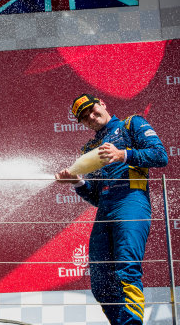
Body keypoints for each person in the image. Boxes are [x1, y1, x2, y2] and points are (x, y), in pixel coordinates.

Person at [56, 94, 168, 325]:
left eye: (93, 110)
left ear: (102, 104)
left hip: (131, 201)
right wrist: (76, 182)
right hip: (105, 211)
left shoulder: (131, 124)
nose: (91, 117)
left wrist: (122, 155)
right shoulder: (89, 148)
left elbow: (160, 155)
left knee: (126, 271)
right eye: (85, 118)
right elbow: (96, 196)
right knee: (100, 284)